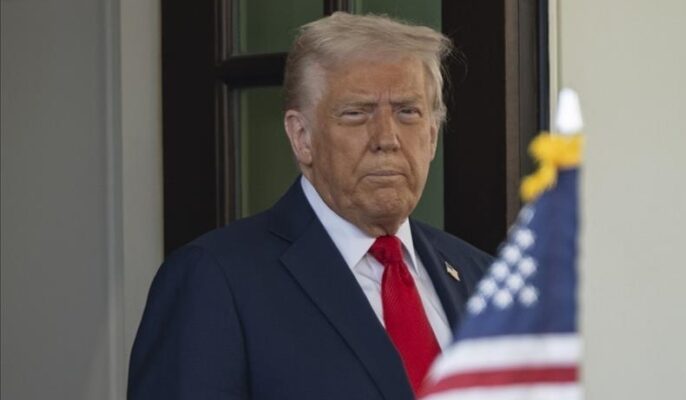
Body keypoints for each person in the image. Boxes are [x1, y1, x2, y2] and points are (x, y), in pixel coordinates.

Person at [128, 12, 491, 400]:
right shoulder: (215, 280)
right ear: (301, 137)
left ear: (432, 136)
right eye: (356, 113)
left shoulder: (482, 276)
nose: (387, 138)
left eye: (408, 112)